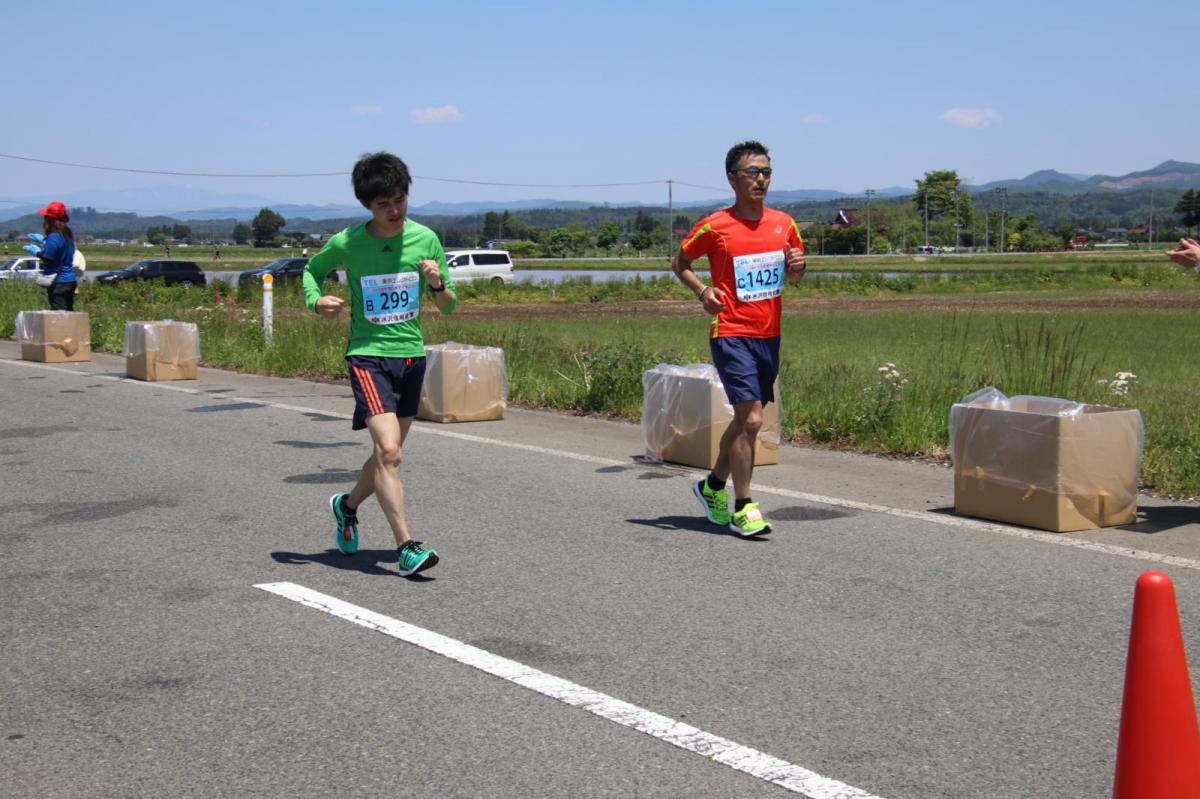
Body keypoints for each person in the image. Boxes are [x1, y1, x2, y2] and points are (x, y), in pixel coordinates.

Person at [303, 151, 456, 576]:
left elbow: (448, 304)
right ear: (366, 205)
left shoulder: (426, 239)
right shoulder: (347, 242)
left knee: (388, 454)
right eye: (383, 204)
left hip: (411, 356)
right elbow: (311, 271)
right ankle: (406, 546)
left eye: (400, 200)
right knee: (388, 450)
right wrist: (316, 301)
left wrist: (436, 283)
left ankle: (347, 506)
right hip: (368, 356)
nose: (394, 210)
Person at [671, 141, 807, 537]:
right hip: (730, 332)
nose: (761, 179)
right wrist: (702, 291)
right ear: (732, 178)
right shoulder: (716, 226)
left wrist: (798, 266)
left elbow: (794, 274)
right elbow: (680, 262)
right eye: (752, 172)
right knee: (752, 420)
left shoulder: (784, 223)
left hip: (769, 334)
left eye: (766, 172)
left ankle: (712, 486)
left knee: (744, 422)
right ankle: (744, 507)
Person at [32, 201, 79, 311]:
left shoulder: (53, 236)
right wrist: (45, 242)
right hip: (70, 280)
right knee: (68, 311)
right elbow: (61, 251)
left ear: (50, 220)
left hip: (59, 281)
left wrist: (36, 252)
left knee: (59, 314)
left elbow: (48, 258)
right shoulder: (67, 234)